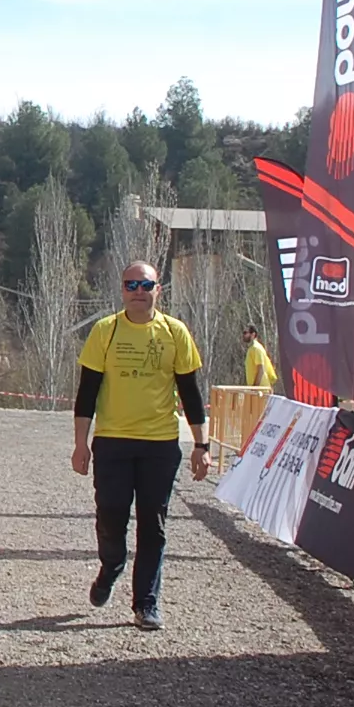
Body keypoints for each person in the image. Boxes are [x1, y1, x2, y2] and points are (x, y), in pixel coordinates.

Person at [71, 262, 209, 632]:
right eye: (131, 284)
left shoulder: (174, 332)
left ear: (157, 290)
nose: (138, 290)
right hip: (113, 441)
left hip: (159, 443)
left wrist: (201, 444)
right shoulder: (106, 331)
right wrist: (80, 445)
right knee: (111, 514)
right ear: (122, 290)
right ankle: (110, 566)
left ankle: (146, 603)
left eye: (145, 284)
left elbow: (191, 394)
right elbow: (86, 394)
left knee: (154, 523)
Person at [242, 324, 277, 390]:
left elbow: (261, 369)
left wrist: (255, 388)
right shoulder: (252, 349)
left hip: (261, 391)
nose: (243, 335)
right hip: (258, 390)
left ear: (253, 334)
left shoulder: (256, 348)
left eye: (245, 333)